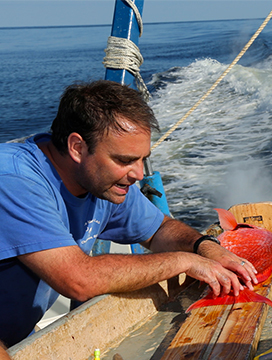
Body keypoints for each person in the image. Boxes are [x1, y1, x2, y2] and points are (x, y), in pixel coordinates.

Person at [0, 80, 259, 347]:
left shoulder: (103, 183)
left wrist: (204, 247)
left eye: (141, 159)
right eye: (124, 160)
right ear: (77, 148)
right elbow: (78, 280)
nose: (137, 174)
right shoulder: (13, 180)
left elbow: (159, 229)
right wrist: (184, 261)